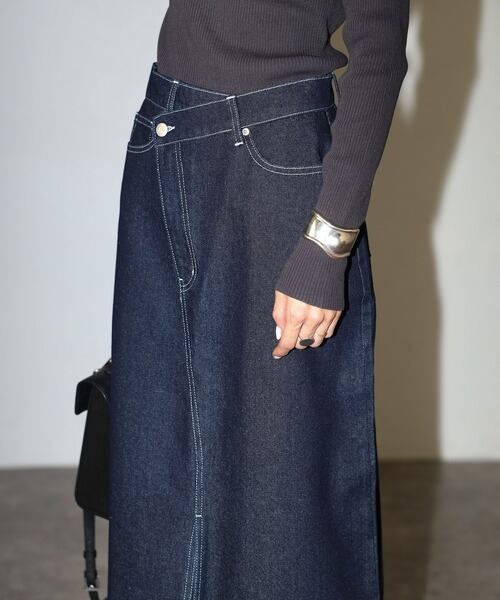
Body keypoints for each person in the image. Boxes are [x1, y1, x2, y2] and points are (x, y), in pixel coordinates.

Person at [108, 1, 410, 599]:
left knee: (283, 478)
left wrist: (327, 243)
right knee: (156, 465)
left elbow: (380, 54)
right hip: (161, 138)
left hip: (273, 158)